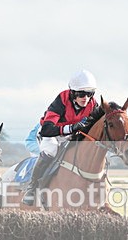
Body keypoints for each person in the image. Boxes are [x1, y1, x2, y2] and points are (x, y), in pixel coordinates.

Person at [22, 69, 105, 205]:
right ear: (73, 93)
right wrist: (71, 128)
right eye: (81, 94)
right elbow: (47, 130)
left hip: (71, 135)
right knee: (51, 151)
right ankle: (32, 188)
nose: (86, 98)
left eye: (90, 94)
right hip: (51, 134)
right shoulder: (61, 100)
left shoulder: (92, 104)